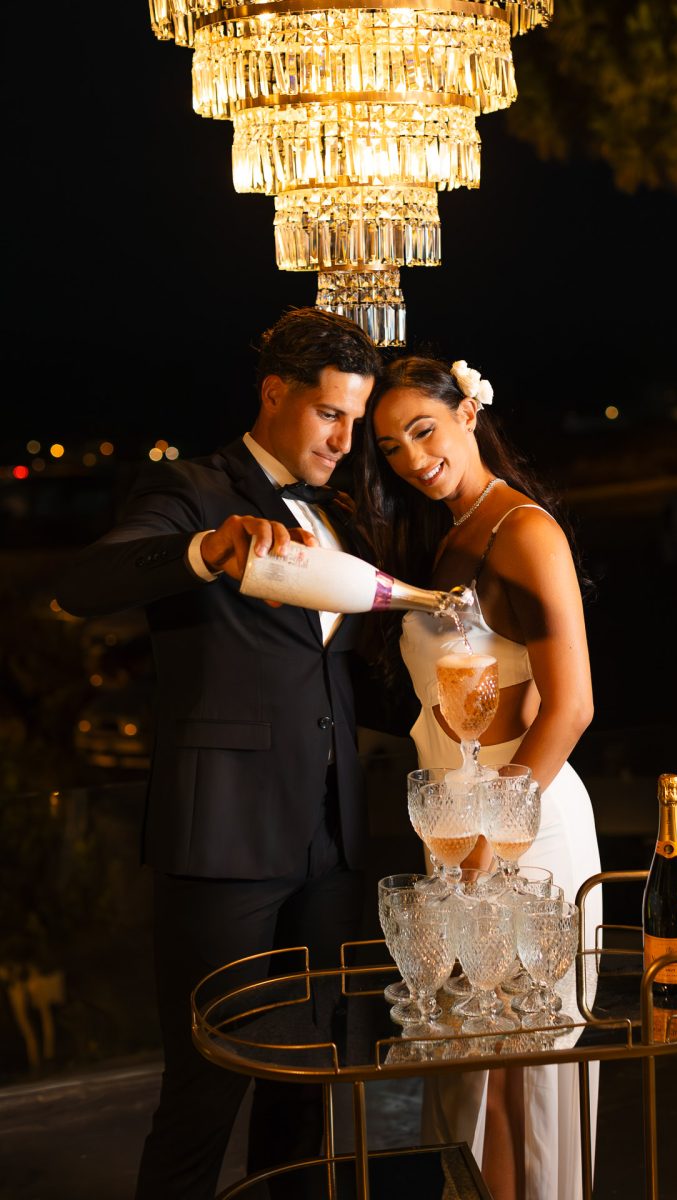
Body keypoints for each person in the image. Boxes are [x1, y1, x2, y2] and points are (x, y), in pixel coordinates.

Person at [55, 307, 384, 1200]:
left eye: (357, 421)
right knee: (202, 1095)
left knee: (307, 1092)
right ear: (275, 394)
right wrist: (204, 549)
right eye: (330, 415)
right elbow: (84, 584)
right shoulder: (194, 488)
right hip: (223, 843)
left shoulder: (345, 510)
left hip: (331, 846)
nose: (346, 440)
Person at [356, 355, 603, 1200]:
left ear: (469, 411)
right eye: (390, 447)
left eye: (424, 431)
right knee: (469, 1075)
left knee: (525, 1073)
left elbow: (570, 708)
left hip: (523, 831)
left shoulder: (525, 531)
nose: (412, 458)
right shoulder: (451, 533)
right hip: (457, 830)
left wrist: (493, 844)